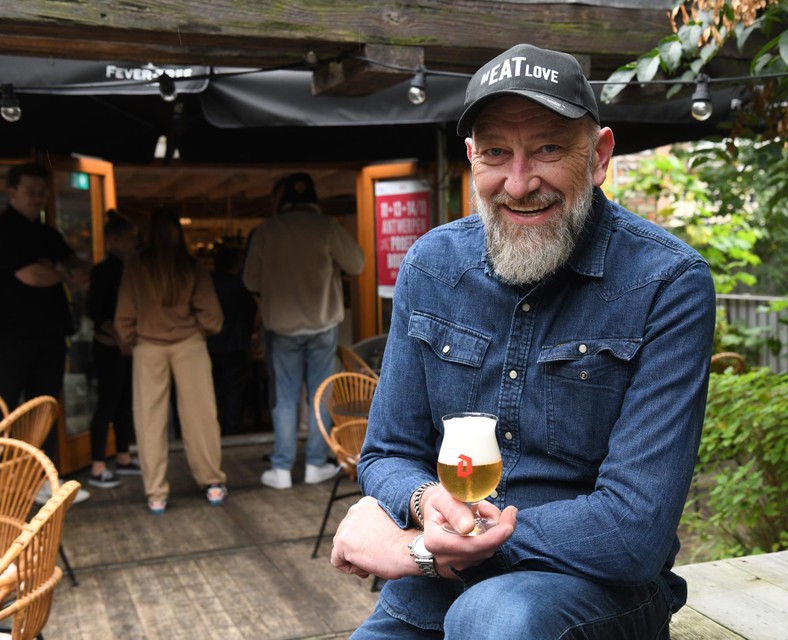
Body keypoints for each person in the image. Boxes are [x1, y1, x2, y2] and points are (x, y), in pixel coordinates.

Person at [331, 44, 716, 639]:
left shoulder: (667, 283)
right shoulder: (432, 266)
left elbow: (634, 531)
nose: (519, 182)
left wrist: (426, 550)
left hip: (591, 596)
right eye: (496, 153)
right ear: (471, 158)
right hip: (429, 598)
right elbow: (387, 452)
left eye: (548, 149)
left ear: (599, 156)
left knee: (496, 616)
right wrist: (424, 502)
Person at [243, 173, 365, 490]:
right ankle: (314, 463)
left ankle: (282, 468)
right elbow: (357, 264)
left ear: (281, 199)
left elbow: (250, 281)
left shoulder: (267, 231)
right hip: (322, 324)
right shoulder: (326, 227)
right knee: (319, 395)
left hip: (282, 327)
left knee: (285, 399)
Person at [115, 206, 227, 514]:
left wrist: (132, 337)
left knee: (149, 419)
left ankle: (156, 493)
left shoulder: (136, 265)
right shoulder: (191, 265)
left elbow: (124, 313)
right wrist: (197, 329)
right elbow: (213, 317)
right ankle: (212, 481)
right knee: (201, 415)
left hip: (147, 346)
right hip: (189, 344)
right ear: (179, 231)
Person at [0, 162, 91, 503]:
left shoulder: (48, 233)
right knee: (6, 410)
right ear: (11, 192)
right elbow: (32, 276)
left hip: (51, 333)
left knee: (45, 409)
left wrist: (56, 271)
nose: (38, 197)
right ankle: (6, 485)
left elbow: (81, 271)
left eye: (42, 192)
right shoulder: (4, 229)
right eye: (31, 191)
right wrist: (60, 273)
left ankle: (43, 482)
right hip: (10, 335)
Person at [85, 210, 141, 488]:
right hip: (109, 345)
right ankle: (97, 466)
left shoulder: (130, 268)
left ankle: (123, 456)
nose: (134, 243)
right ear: (114, 239)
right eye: (130, 238)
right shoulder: (105, 270)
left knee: (124, 402)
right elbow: (96, 311)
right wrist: (119, 338)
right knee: (107, 402)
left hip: (126, 344)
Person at [207, 244, 256, 435]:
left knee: (211, 390)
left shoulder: (207, 282)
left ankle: (211, 429)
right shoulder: (239, 285)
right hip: (235, 344)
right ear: (236, 263)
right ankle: (231, 430)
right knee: (234, 391)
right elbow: (251, 311)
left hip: (210, 344)